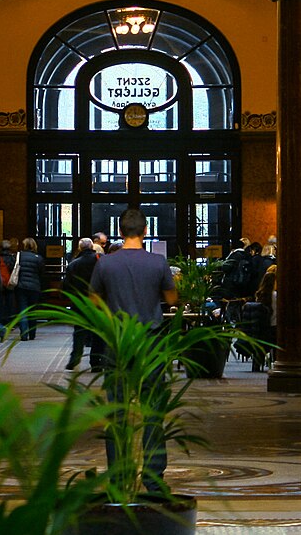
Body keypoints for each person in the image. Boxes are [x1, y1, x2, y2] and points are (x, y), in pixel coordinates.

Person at [89, 207, 178, 490]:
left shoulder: (105, 264)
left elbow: (92, 300)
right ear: (146, 230)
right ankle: (153, 476)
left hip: (117, 342)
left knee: (116, 411)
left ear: (119, 230)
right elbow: (172, 297)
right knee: (153, 410)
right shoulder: (158, 263)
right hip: (150, 341)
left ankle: (119, 474)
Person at [63, 237, 103, 369]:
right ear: (92, 246)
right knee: (98, 332)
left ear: (80, 248)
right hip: (99, 302)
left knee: (79, 331)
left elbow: (67, 285)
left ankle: (75, 358)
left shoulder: (73, 264)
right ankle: (96, 361)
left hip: (80, 303)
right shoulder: (100, 260)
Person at [14, 238, 45, 340]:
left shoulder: (19, 256)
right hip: (34, 287)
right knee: (33, 311)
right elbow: (41, 273)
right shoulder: (38, 258)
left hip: (21, 286)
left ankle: (24, 334)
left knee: (22, 310)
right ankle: (32, 334)